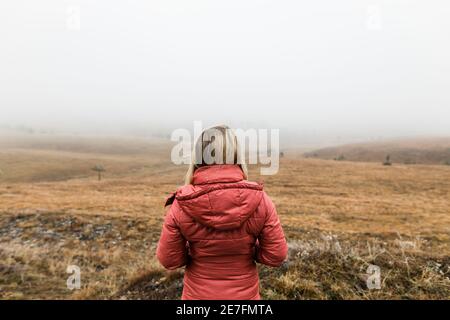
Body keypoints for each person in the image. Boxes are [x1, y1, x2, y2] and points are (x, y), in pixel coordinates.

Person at [156, 125, 288, 300]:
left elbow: (170, 261)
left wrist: (196, 250)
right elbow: (276, 255)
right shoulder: (260, 199)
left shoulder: (182, 204)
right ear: (236, 155)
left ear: (198, 157)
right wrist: (248, 250)